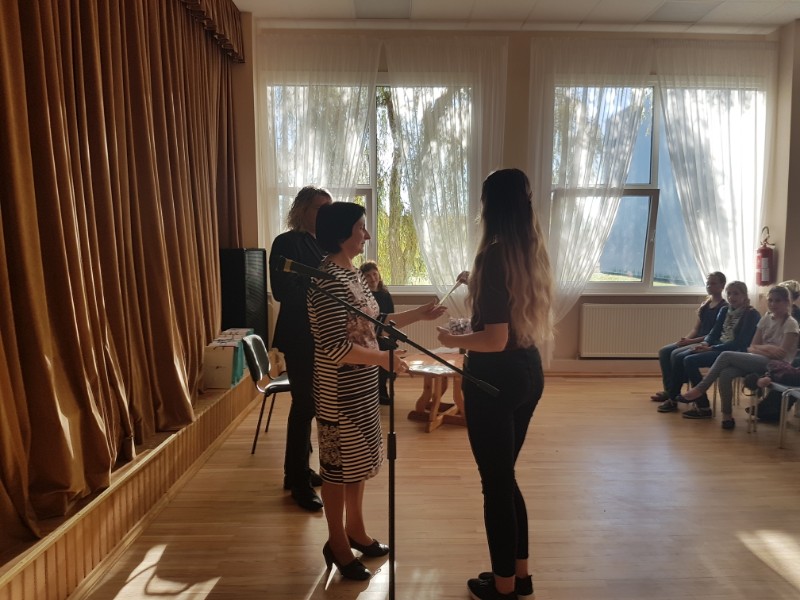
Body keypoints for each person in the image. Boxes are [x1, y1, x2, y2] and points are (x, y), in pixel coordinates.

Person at [308, 202, 446, 581]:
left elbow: (374, 321)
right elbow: (335, 347)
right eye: (361, 228)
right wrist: (383, 359)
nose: (366, 235)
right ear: (342, 233)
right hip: (338, 393)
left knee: (358, 463)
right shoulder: (326, 280)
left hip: (363, 386)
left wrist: (418, 314)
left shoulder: (351, 274)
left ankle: (356, 529)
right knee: (336, 469)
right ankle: (337, 542)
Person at [436, 168, 553, 600]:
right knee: (505, 477)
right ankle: (519, 576)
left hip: (494, 381)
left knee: (496, 484)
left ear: (490, 207)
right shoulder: (528, 250)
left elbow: (493, 339)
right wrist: (477, 285)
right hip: (528, 373)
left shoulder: (493, 255)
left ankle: (503, 587)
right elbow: (507, 318)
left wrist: (452, 341)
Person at [268, 186, 332, 512]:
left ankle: (297, 470)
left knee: (312, 404)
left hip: (323, 336)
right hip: (299, 336)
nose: (325, 214)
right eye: (320, 208)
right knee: (305, 404)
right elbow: (282, 291)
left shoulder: (326, 244)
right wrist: (320, 286)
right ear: (302, 210)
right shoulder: (287, 242)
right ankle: (297, 482)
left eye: (328, 209)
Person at [677, 285, 800, 430]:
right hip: (757, 359)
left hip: (777, 366)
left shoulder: (791, 324)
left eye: (777, 301)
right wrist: (769, 348)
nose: (773, 304)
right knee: (725, 373)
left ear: (787, 302)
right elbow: (751, 346)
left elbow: (781, 354)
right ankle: (727, 416)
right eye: (770, 300)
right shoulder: (766, 318)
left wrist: (761, 348)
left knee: (725, 355)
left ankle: (700, 389)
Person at [656, 281, 760, 413]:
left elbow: (740, 343)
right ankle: (673, 397)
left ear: (744, 295)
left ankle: (703, 406)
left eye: (736, 294)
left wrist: (711, 348)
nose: (731, 297)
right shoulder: (724, 310)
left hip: (733, 352)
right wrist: (704, 344)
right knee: (678, 356)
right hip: (716, 345)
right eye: (729, 293)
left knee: (690, 360)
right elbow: (714, 333)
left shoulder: (751, 314)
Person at [650, 272, 727, 404]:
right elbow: (696, 329)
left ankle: (674, 391)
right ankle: (669, 390)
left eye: (713, 283)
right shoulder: (706, 305)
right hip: (695, 339)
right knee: (664, 351)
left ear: (722, 286)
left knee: (675, 354)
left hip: (707, 343)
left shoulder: (724, 308)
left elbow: (714, 334)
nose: (709, 286)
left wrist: (691, 342)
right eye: (708, 283)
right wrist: (684, 341)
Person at [359, 261, 395, 405]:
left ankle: (382, 387)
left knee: (391, 353)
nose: (373, 278)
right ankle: (379, 390)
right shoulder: (362, 296)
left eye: (375, 274)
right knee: (383, 354)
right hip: (369, 335)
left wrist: (390, 336)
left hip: (383, 334)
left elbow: (391, 318)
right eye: (368, 276)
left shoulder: (385, 294)